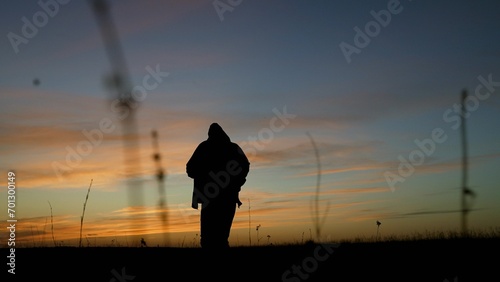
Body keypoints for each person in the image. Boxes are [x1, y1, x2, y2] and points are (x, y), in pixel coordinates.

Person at [186, 123, 250, 249]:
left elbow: (190, 169)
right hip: (223, 196)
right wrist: (237, 182)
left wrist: (203, 174)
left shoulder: (204, 147)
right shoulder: (232, 148)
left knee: (209, 236)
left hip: (211, 196)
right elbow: (245, 166)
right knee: (220, 235)